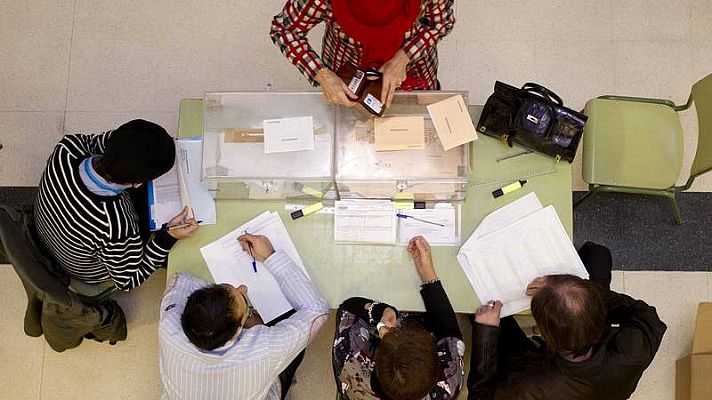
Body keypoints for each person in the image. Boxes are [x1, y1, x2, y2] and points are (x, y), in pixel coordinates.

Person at [468, 242, 667, 400]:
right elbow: (644, 313)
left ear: (545, 334)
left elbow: (479, 396)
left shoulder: (530, 387)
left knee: (481, 308)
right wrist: (573, 293)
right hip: (604, 383)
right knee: (597, 253)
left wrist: (486, 332)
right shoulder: (633, 348)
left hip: (550, 376)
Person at [159, 233, 329, 399]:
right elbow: (316, 310)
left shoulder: (169, 327)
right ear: (237, 332)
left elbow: (179, 279)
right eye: (245, 309)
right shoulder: (265, 350)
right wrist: (271, 256)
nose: (243, 288)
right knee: (287, 315)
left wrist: (231, 306)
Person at [34, 119, 198, 291]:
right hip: (86, 269)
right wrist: (167, 238)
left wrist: (136, 146)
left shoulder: (67, 148)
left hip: (53, 228)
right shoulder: (115, 225)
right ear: (137, 184)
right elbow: (128, 281)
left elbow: (103, 141)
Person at [333, 236, 464, 400]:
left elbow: (348, 308)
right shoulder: (447, 387)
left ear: (376, 361)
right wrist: (428, 275)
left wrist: (383, 311)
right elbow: (451, 335)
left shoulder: (350, 368)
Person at [270, 0, 455, 109]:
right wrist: (323, 75)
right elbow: (284, 29)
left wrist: (403, 58)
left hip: (415, 81)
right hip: (348, 88)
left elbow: (440, 22)